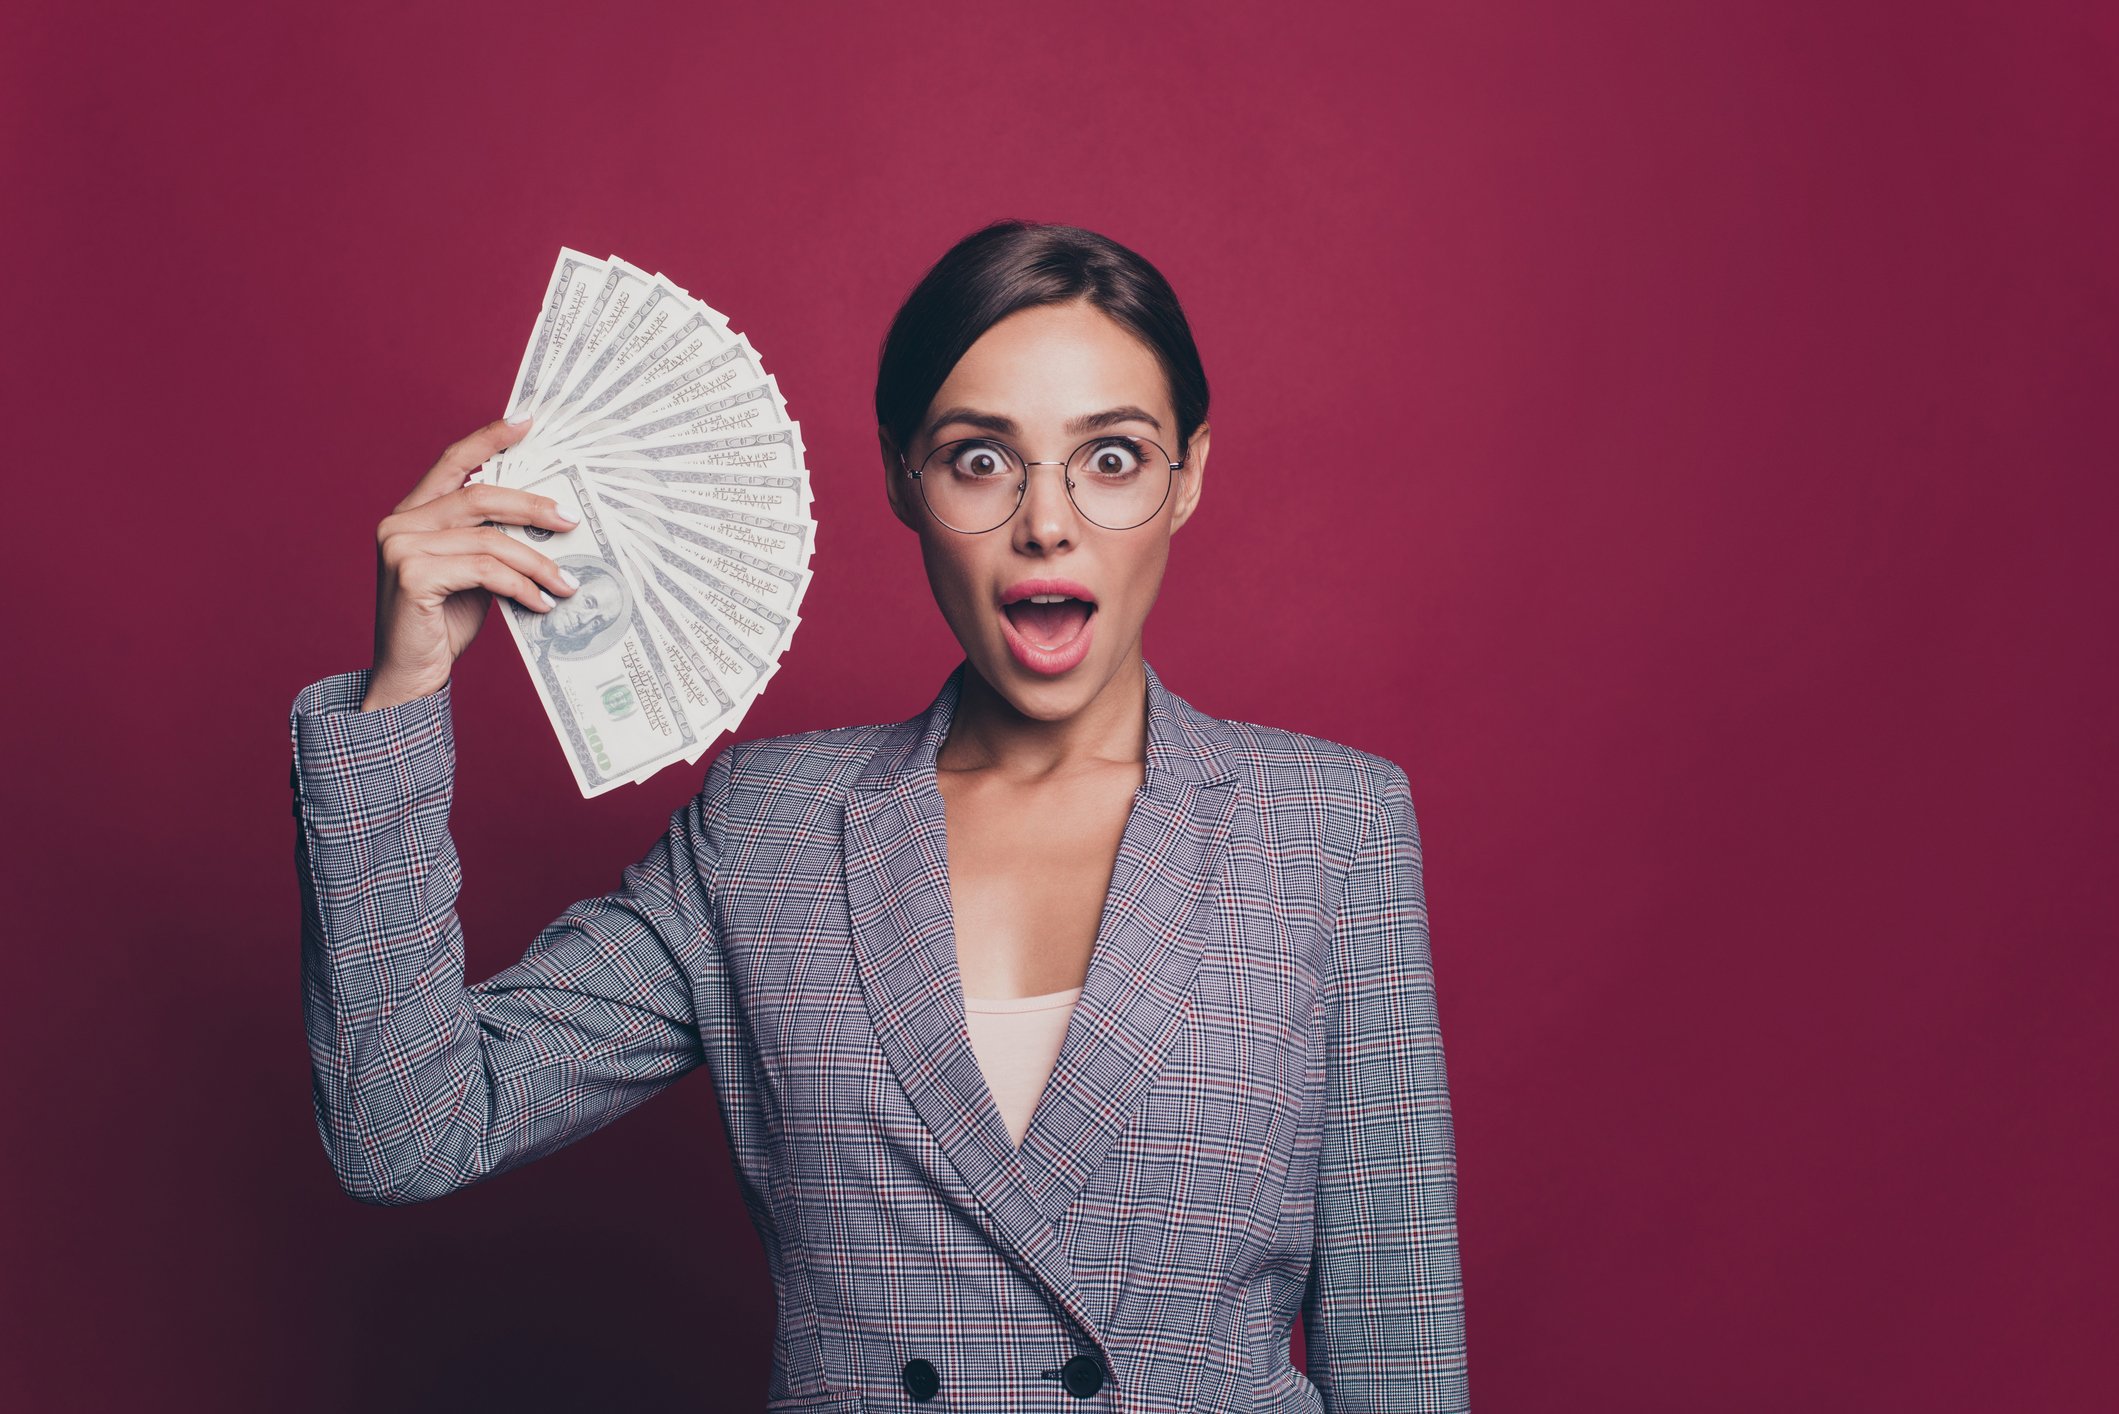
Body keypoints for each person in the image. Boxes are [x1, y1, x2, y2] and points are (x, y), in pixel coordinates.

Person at [289, 220, 1467, 1412]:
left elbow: (1398, 1347)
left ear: (1188, 477)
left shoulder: (1329, 830)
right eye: (980, 459)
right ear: (905, 477)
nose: (1046, 523)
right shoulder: (769, 831)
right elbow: (408, 1129)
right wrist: (406, 691)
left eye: (1111, 457)